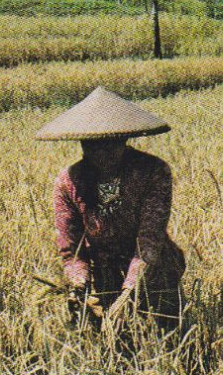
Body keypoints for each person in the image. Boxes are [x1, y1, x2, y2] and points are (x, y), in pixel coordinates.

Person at [36, 87, 187, 335]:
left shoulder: (152, 171)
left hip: (154, 271)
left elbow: (149, 241)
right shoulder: (69, 181)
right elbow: (71, 249)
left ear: (123, 139)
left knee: (162, 338)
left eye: (109, 144)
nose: (101, 152)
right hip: (103, 274)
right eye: (92, 145)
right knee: (107, 343)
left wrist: (129, 293)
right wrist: (78, 284)